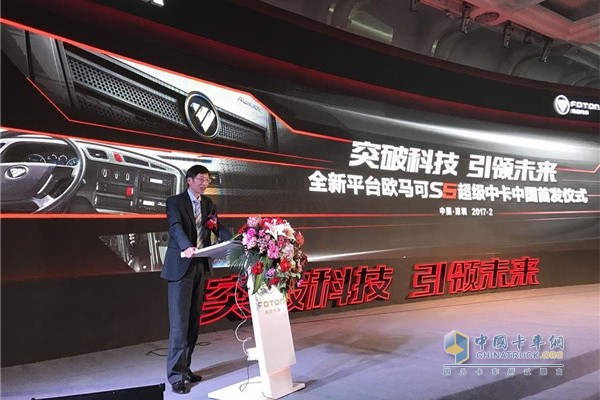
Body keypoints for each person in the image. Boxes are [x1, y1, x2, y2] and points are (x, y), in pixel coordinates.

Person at [160, 165, 230, 394]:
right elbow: (175, 227)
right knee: (179, 325)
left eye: (207, 180)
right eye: (201, 179)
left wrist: (236, 240)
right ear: (189, 180)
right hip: (181, 267)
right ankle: (175, 376)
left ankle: (185, 368)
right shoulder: (175, 202)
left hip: (200, 265)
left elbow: (215, 227)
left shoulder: (208, 204)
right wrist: (186, 246)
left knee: (192, 323)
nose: (205, 183)